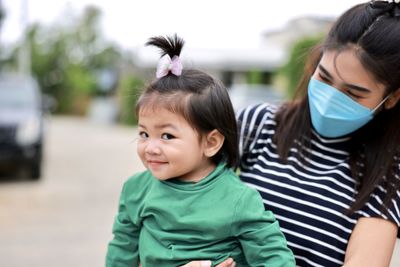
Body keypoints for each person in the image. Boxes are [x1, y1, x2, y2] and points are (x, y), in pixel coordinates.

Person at [184, 1, 400, 267]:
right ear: (316, 61)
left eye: (353, 93)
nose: (331, 98)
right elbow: (171, 200)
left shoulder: (387, 176)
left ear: (391, 98)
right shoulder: (258, 124)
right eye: (324, 77)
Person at [105, 34, 295, 267]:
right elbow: (121, 253)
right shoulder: (136, 190)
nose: (150, 147)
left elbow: (275, 258)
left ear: (211, 142)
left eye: (167, 136)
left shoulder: (238, 199)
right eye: (144, 134)